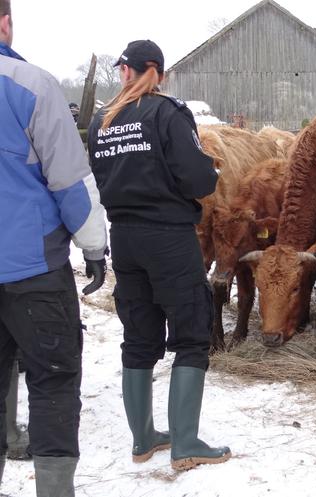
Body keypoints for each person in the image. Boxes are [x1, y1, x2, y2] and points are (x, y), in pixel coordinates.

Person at [87, 39, 230, 471]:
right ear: (158, 73)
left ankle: (144, 438)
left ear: (125, 71)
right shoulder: (167, 113)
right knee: (191, 332)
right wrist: (211, 171)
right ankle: (185, 441)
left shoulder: (101, 121)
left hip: (125, 238)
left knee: (139, 336)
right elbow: (198, 178)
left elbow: (100, 174)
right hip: (168, 236)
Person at [0, 0, 109, 495]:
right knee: (53, 380)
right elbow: (70, 181)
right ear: (5, 23)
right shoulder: (31, 85)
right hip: (32, 271)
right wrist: (93, 248)